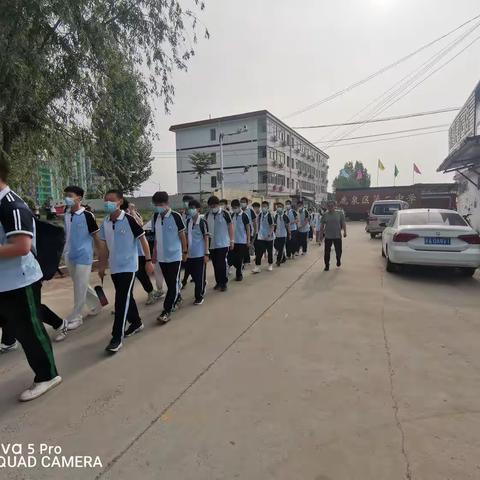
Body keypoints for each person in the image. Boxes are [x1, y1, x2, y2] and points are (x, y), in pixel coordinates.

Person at [0, 160, 62, 401]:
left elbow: (22, 246)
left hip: (19, 282)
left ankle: (47, 375)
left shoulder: (12, 206)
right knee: (15, 325)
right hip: (4, 282)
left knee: (30, 330)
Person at [98, 190, 154, 353]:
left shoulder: (129, 219)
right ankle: (136, 322)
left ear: (120, 201)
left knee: (121, 300)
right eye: (106, 200)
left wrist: (148, 261)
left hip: (129, 266)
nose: (108, 203)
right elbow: (103, 248)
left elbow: (143, 240)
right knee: (126, 296)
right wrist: (102, 267)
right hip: (115, 267)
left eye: (111, 200)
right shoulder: (106, 222)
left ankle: (116, 337)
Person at [63, 186, 103, 332]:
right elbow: (67, 236)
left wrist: (100, 256)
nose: (67, 198)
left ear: (79, 198)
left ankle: (76, 316)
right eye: (65, 195)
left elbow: (96, 237)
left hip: (84, 256)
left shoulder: (87, 215)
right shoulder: (67, 215)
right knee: (81, 284)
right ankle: (97, 304)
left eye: (70, 195)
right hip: (70, 254)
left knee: (78, 287)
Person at [151, 191, 187, 324]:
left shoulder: (176, 216)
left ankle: (166, 311)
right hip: (161, 256)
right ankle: (177, 298)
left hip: (174, 256)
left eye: (159, 204)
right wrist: (154, 252)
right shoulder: (156, 217)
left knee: (172, 284)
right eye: (155, 204)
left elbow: (182, 235)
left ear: (166, 204)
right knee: (171, 282)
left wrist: (185, 251)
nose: (157, 207)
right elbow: (156, 237)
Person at [121, 200, 162, 306]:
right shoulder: (118, 218)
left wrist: (132, 212)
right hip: (125, 254)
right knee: (124, 279)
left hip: (139, 252)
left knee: (141, 274)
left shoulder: (134, 216)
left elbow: (140, 224)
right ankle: (123, 302)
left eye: (132, 207)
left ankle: (150, 292)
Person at [205, 196, 234, 292]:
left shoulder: (225, 214)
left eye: (215, 205)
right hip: (212, 245)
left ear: (218, 204)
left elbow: (230, 227)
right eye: (211, 205)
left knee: (222, 264)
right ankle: (218, 282)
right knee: (215, 264)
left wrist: (232, 241)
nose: (213, 207)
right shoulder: (207, 215)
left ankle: (224, 283)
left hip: (223, 243)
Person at [185, 199, 209, 305]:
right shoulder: (188, 222)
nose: (191, 210)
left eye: (193, 208)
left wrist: (206, 253)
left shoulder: (203, 222)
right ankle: (203, 283)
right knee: (194, 276)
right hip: (190, 254)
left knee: (199, 277)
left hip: (200, 254)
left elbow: (206, 238)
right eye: (189, 208)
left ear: (198, 209)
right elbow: (186, 237)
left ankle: (199, 296)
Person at [319, 200, 347, 271]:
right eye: (329, 206)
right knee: (327, 252)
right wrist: (321, 235)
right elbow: (322, 225)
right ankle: (327, 265)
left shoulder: (340, 213)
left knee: (339, 251)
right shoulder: (325, 215)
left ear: (335, 206)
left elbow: (343, 223)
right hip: (328, 236)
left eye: (332, 206)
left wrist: (345, 232)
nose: (330, 207)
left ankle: (338, 259)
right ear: (327, 207)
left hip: (337, 236)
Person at [230, 199, 251, 281]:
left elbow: (248, 228)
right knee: (233, 259)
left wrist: (248, 240)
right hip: (233, 241)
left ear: (239, 207)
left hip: (242, 241)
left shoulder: (244, 215)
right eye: (233, 208)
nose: (234, 209)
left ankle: (239, 274)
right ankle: (239, 267)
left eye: (235, 207)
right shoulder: (232, 215)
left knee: (239, 259)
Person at [252, 201, 275, 273]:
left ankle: (270, 264)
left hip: (269, 237)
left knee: (269, 251)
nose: (263, 208)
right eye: (262, 206)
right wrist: (257, 232)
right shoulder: (260, 215)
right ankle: (257, 266)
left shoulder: (270, 215)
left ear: (268, 207)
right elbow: (258, 224)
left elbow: (272, 226)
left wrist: (270, 233)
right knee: (259, 252)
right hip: (261, 236)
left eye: (265, 206)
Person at [180, 195, 194, 289]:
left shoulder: (193, 213)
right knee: (187, 261)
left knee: (189, 261)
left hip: (192, 241)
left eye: (187, 201)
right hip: (184, 240)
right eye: (184, 201)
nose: (186, 203)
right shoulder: (182, 214)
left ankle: (184, 280)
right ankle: (190, 277)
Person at [240, 197, 256, 265]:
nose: (242, 203)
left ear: (246, 203)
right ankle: (245, 260)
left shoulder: (250, 211)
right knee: (243, 246)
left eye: (244, 202)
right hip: (240, 231)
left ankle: (246, 260)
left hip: (249, 230)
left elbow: (254, 221)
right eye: (241, 202)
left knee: (247, 246)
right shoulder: (239, 211)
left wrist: (255, 230)